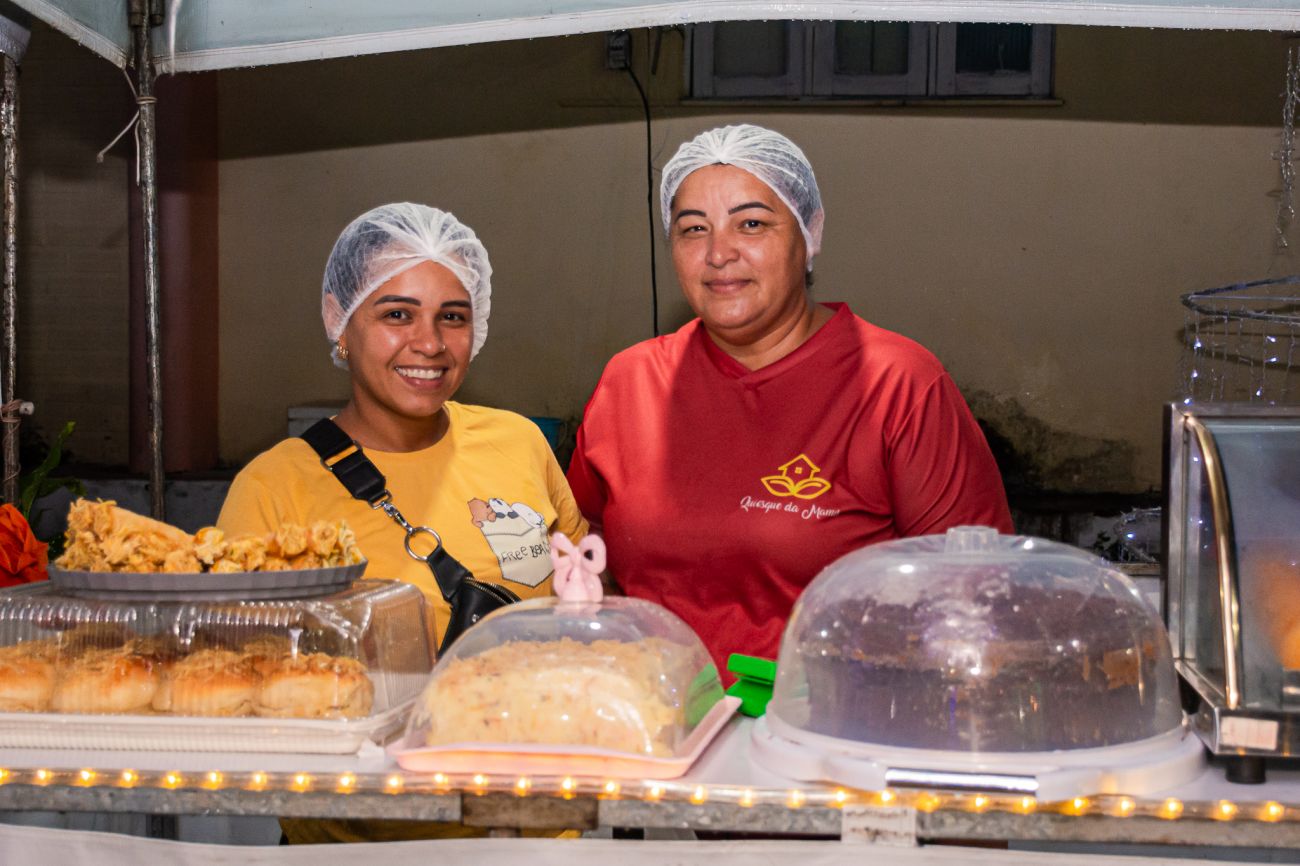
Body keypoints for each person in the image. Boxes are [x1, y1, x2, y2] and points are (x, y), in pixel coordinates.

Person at [566, 124, 1012, 676]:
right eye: (693, 229)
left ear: (810, 232)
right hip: (657, 709)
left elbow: (976, 592)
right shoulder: (631, 380)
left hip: (830, 716)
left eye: (751, 223)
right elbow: (581, 541)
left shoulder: (897, 384)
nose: (719, 254)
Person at [219, 201, 586, 649]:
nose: (430, 344)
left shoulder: (518, 442)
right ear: (339, 320)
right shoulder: (275, 489)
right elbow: (240, 661)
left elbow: (584, 596)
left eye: (452, 317)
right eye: (397, 314)